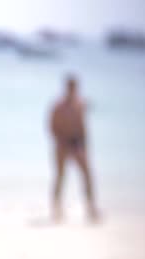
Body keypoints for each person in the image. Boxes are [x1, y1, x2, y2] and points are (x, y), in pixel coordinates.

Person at [49, 75, 99, 222]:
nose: (72, 90)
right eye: (70, 87)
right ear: (66, 87)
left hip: (77, 145)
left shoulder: (80, 105)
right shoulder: (58, 106)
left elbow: (83, 127)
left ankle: (90, 207)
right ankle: (56, 208)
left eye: (74, 87)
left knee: (87, 175)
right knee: (60, 176)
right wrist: (62, 142)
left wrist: (83, 145)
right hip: (62, 144)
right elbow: (52, 127)